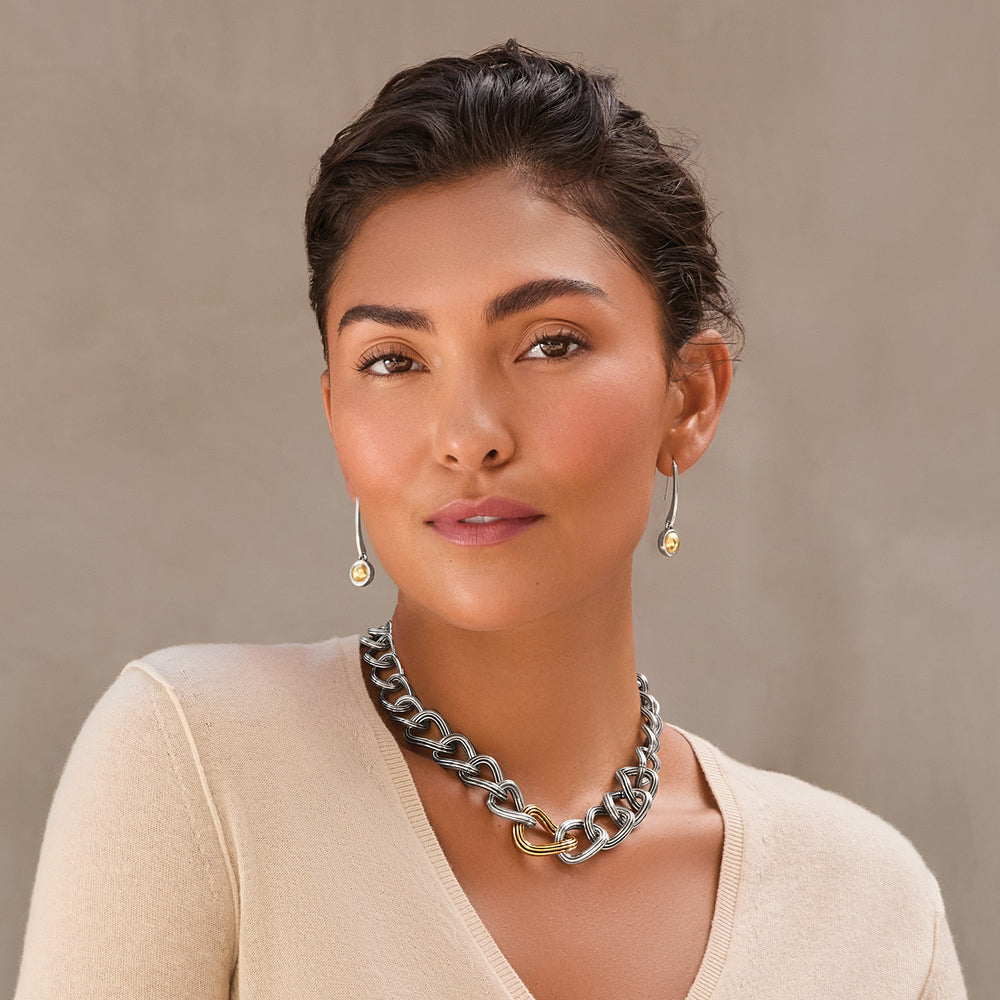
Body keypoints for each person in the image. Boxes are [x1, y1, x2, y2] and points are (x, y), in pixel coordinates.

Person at [15, 40, 965, 1000]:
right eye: (393, 360)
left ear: (689, 397)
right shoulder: (198, 760)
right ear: (337, 412)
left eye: (550, 344)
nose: (468, 437)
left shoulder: (870, 908)